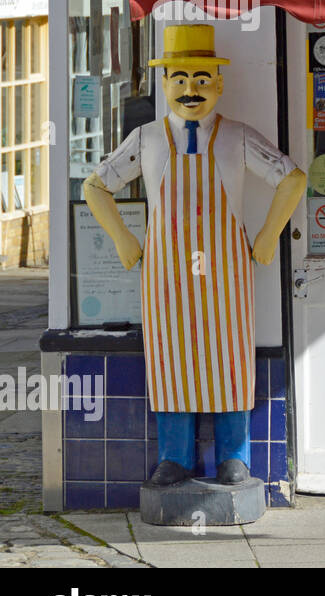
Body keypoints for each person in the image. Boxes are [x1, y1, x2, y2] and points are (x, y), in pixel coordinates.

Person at [82, 24, 306, 489]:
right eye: (179, 78)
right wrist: (124, 238)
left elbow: (292, 178)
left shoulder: (238, 136)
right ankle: (174, 457)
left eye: (202, 78)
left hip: (226, 275)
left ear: (219, 84)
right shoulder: (145, 139)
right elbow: (95, 186)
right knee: (170, 360)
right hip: (165, 276)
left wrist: (268, 236)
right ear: (164, 84)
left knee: (230, 359)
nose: (190, 89)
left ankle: (234, 457)